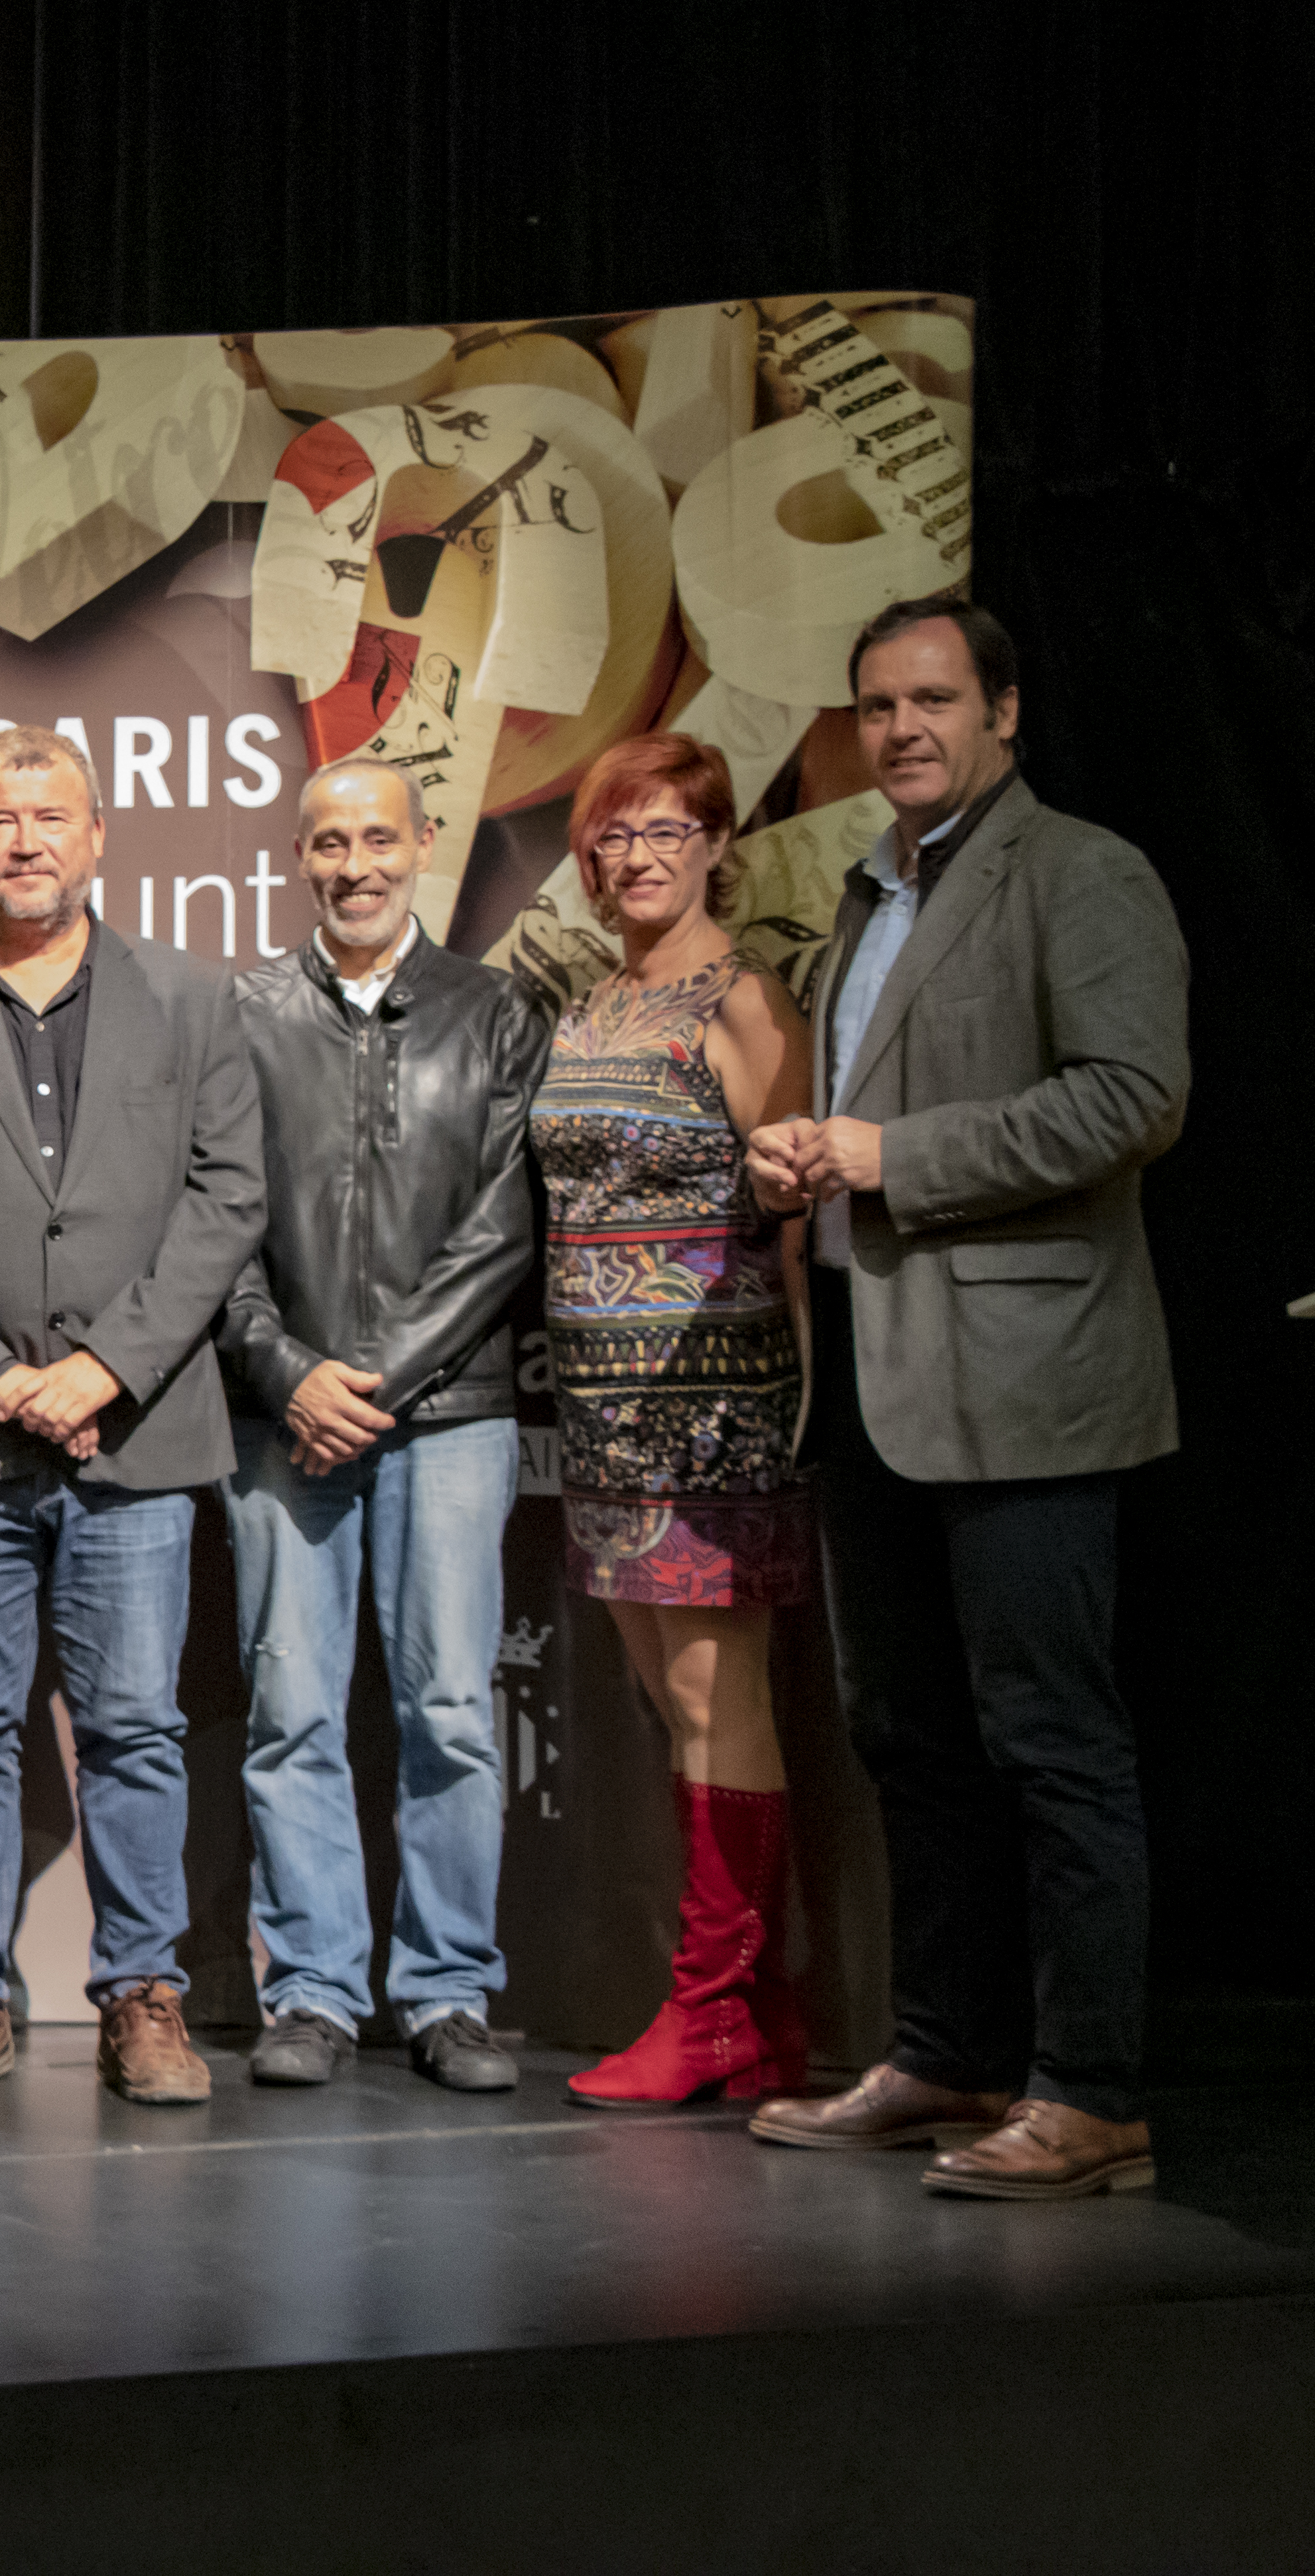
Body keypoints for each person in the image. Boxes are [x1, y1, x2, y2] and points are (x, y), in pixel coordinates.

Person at [743, 594, 1188, 2201]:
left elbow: (1133, 1097)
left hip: (1025, 1377)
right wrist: (812, 1158)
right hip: (874, 1368)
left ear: (1004, 710)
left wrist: (892, 1156)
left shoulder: (1082, 870)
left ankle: (1094, 2091)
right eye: (878, 706)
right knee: (910, 1735)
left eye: (933, 699)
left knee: (1049, 1739)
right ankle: (949, 2050)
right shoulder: (872, 887)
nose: (903, 729)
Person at [0, 724, 265, 2106]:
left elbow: (227, 1199)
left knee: (135, 1725)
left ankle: (144, 1994)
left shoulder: (191, 999)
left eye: (51, 815)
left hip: (136, 1436)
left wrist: (106, 1367)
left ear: (98, 833)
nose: (26, 841)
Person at [222, 759, 549, 2098]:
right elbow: (212, 1225)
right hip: (282, 1419)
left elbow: (506, 1227)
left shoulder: (496, 1011)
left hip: (450, 1416)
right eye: (328, 843)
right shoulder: (241, 1013)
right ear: (298, 857)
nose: (354, 865)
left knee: (452, 1710)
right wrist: (288, 1373)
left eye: (377, 839)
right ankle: (310, 1988)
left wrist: (374, 1382)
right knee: (290, 1712)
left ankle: (447, 1990)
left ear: (423, 844)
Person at [528, 732, 820, 2109]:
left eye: (665, 830)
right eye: (614, 834)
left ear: (716, 846)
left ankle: (713, 2010)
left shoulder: (742, 998)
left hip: (714, 1402)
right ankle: (758, 2015)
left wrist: (810, 1400)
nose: (637, 856)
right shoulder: (591, 1006)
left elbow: (799, 1208)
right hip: (603, 1407)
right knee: (667, 1701)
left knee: (716, 1698)